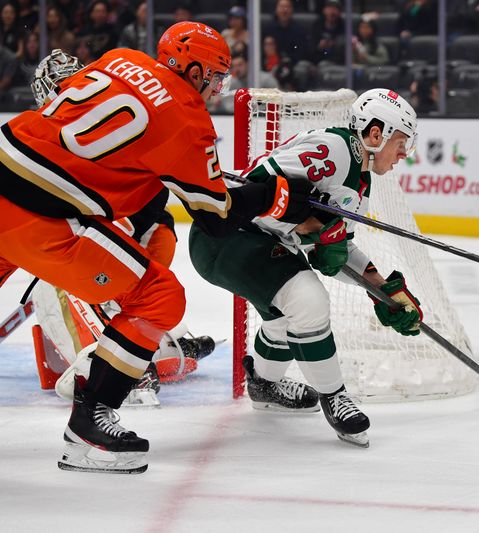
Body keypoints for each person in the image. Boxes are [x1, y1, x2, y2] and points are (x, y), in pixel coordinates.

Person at [0, 21, 315, 474]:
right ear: (191, 69)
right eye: (214, 77)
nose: (214, 89)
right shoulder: (187, 119)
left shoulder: (121, 58)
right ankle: (89, 431)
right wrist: (275, 196)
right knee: (160, 296)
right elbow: (218, 218)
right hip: (41, 215)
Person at [188, 88, 423, 448]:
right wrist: (309, 224)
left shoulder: (359, 179)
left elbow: (336, 247)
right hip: (227, 235)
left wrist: (381, 289)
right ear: (376, 134)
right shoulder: (335, 150)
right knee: (308, 301)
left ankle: (264, 385)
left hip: (256, 242)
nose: (404, 154)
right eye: (401, 143)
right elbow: (258, 190)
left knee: (286, 317)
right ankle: (335, 396)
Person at [27, 49, 218, 407]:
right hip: (145, 246)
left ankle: (115, 369)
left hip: (133, 242)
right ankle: (167, 348)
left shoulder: (70, 136)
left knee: (52, 288)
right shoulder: (111, 115)